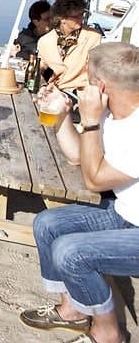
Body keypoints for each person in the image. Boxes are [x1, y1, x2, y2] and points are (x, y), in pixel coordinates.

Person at [20, 42, 139, 343]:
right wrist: (62, 116)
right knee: (47, 223)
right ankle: (73, 310)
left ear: (101, 87)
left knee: (71, 252)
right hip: (125, 213)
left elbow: (94, 180)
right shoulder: (113, 112)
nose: (82, 87)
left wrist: (88, 121)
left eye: (87, 80)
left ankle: (108, 333)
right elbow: (78, 157)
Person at [37, 0, 101, 92]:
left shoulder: (92, 37)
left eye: (82, 14)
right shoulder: (46, 41)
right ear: (62, 19)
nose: (81, 18)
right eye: (76, 16)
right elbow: (39, 68)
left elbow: (95, 72)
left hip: (79, 91)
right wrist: (43, 86)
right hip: (54, 90)